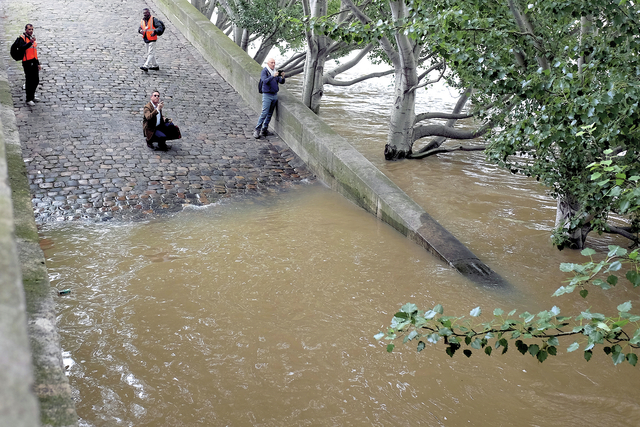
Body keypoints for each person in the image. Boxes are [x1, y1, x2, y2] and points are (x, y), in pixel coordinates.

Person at [253, 58, 285, 139]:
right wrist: (272, 76)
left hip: (274, 94)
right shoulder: (265, 71)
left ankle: (264, 129)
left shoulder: (275, 71)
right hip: (267, 95)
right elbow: (265, 81)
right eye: (271, 63)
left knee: (270, 113)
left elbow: (281, 82)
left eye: (274, 62)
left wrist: (283, 77)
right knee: (264, 112)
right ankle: (257, 130)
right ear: (268, 63)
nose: (273, 64)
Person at [19, 24, 41, 106]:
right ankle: (29, 98)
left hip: (33, 61)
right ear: (26, 30)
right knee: (29, 81)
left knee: (36, 80)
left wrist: (38, 63)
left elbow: (34, 52)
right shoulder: (22, 38)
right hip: (27, 62)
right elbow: (22, 48)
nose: (31, 31)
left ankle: (32, 96)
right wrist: (30, 42)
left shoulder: (32, 38)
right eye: (29, 29)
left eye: (32, 29)